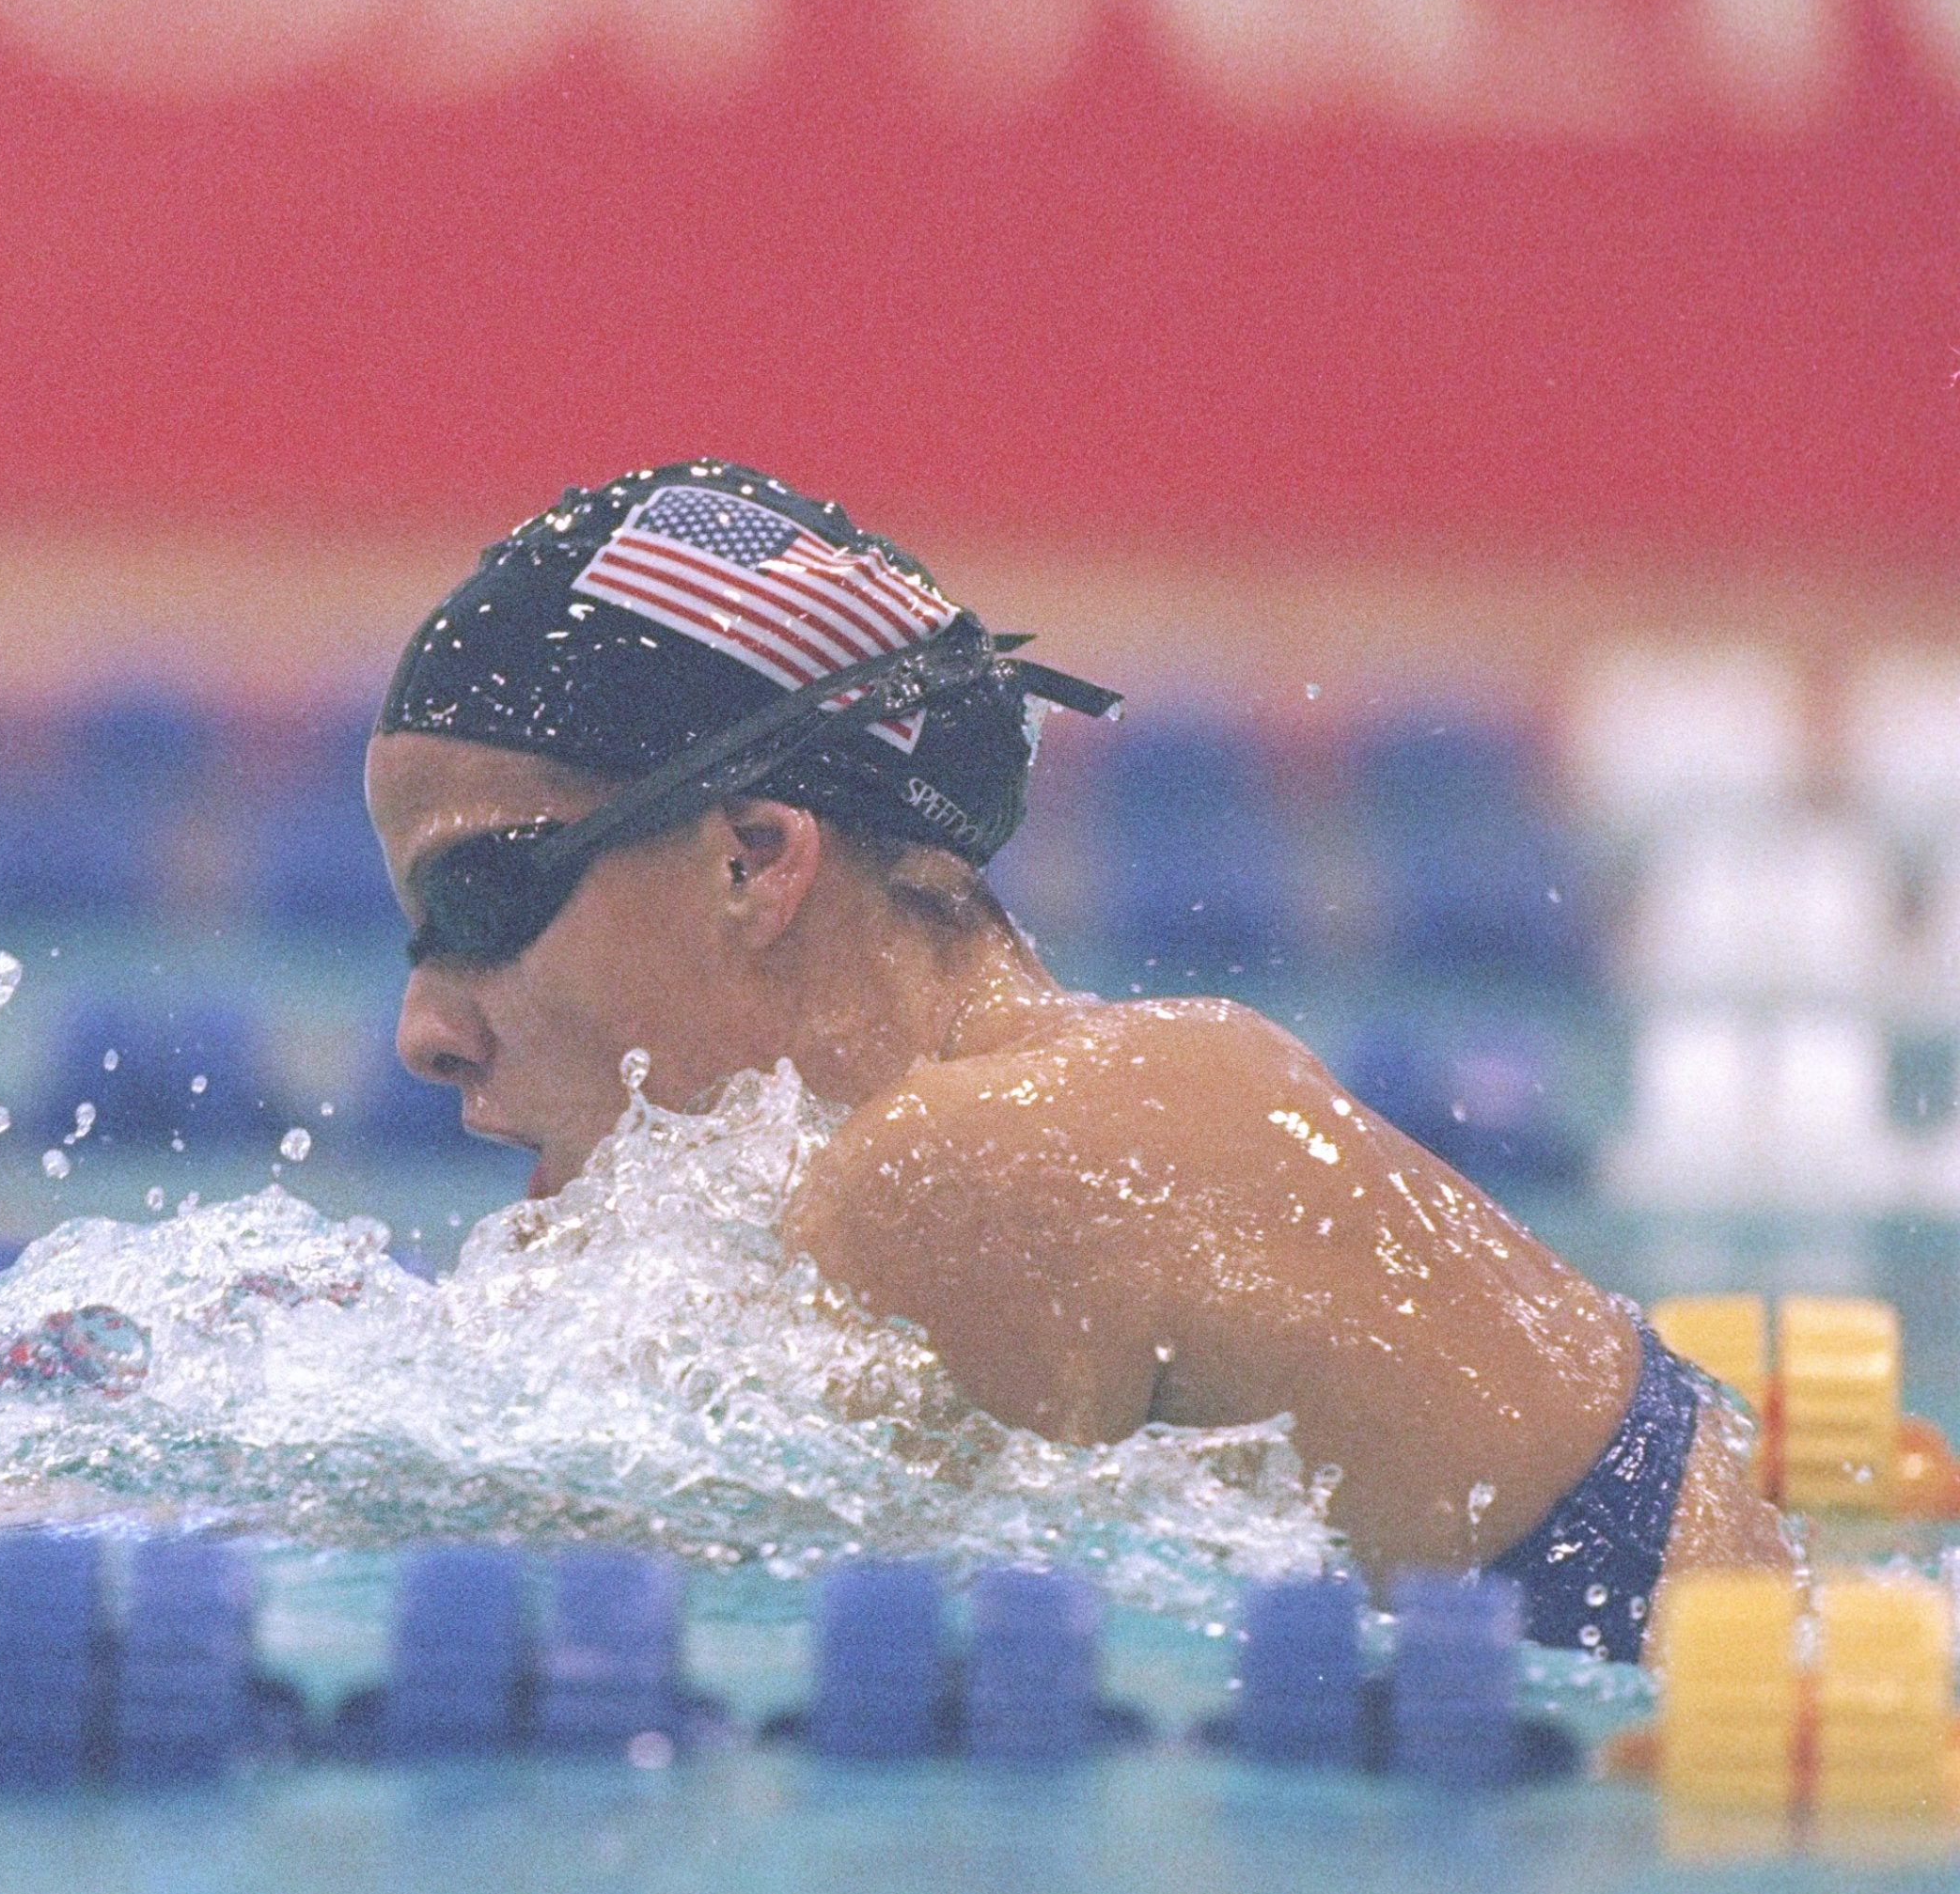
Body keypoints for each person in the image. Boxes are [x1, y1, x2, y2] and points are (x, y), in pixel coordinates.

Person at [364, 459, 1790, 1660]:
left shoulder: (971, 1164)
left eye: (482, 905)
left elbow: (650, 1601)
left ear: (753, 860)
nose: (427, 1029)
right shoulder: (1070, 1098)